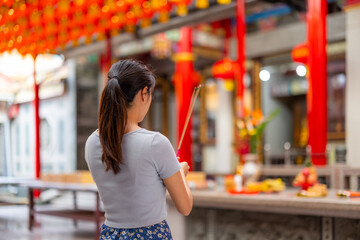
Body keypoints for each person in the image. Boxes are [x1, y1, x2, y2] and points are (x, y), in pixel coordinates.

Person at [85, 59, 193, 240]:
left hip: (111, 235)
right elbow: (185, 207)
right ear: (144, 93)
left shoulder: (92, 142)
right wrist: (181, 173)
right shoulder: (155, 143)